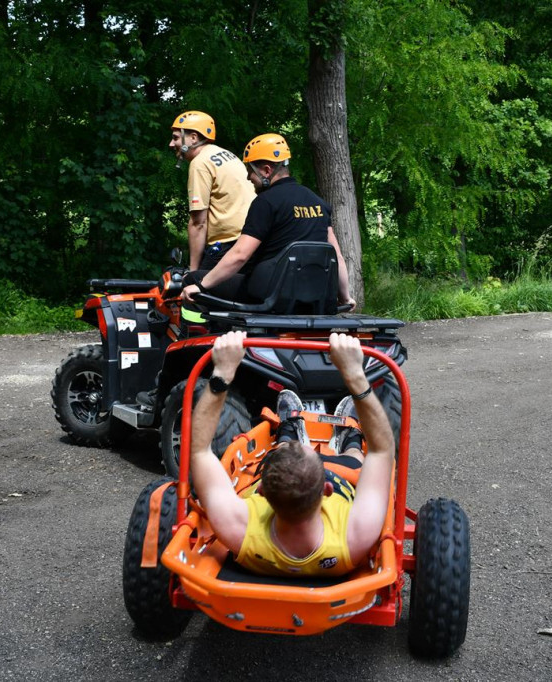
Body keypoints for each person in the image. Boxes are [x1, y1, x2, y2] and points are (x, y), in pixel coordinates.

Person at [189, 331, 394, 577]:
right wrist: (355, 376)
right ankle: (349, 437)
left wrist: (222, 373)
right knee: (355, 458)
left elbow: (199, 450)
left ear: (262, 492)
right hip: (342, 475)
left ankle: (288, 437)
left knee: (283, 450)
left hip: (267, 531)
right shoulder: (352, 537)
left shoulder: (239, 530)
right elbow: (382, 451)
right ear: (326, 490)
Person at [180, 133, 356, 311]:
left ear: (266, 170)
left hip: (270, 294)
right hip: (313, 292)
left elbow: (240, 254)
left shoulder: (266, 202)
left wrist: (201, 286)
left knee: (193, 278)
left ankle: (217, 335)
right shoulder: (318, 202)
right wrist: (345, 296)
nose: (248, 178)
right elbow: (336, 256)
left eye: (250, 171)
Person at [169, 111, 256, 271]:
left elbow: (198, 223)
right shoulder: (227, 154)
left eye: (175, 138)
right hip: (251, 240)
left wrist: (193, 272)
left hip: (228, 244)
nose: (171, 144)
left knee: (195, 289)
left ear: (193, 138)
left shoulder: (200, 163)